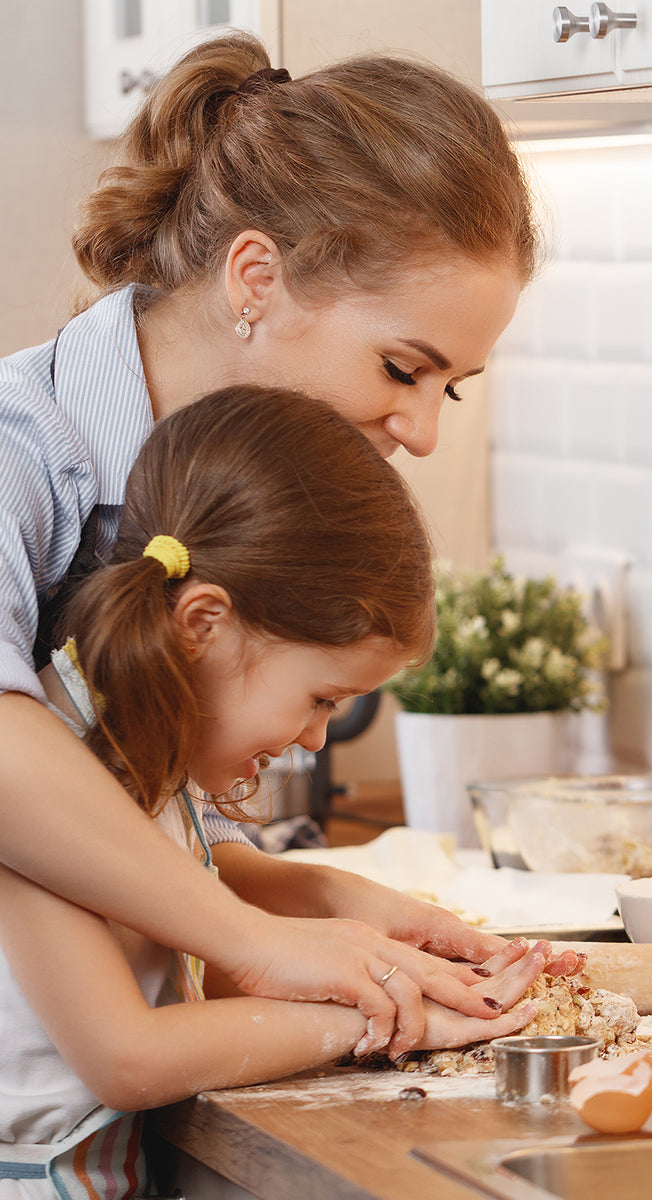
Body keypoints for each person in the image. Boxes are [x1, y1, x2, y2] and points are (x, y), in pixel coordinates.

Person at [0, 28, 555, 1049]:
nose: (425, 433)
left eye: (451, 388)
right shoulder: (19, 456)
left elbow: (146, 826)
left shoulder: (226, 491)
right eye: (402, 369)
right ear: (255, 278)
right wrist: (253, 940)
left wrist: (322, 898)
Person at [0, 384, 550, 1198]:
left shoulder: (149, 759)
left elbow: (199, 950)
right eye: (321, 698)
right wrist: (388, 1021)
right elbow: (128, 1057)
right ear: (202, 624)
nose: (318, 738)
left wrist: (357, 925)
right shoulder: (59, 790)